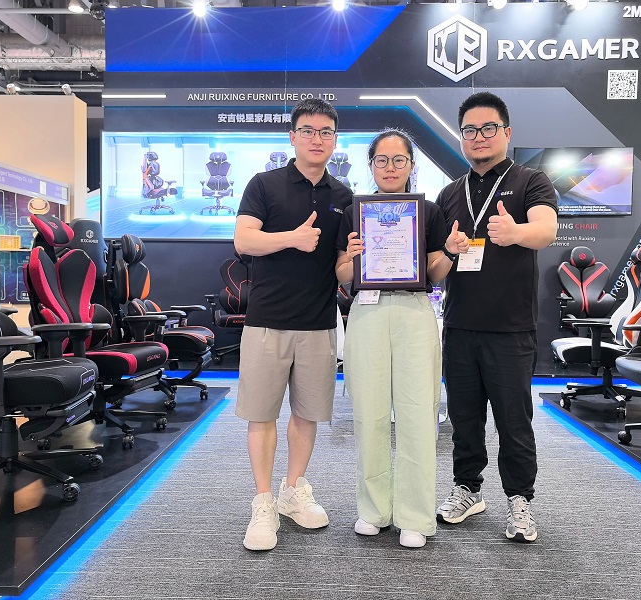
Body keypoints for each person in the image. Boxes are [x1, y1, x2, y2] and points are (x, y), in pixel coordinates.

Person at [335, 128, 469, 548]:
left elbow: (433, 273)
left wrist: (450, 251)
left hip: (414, 312)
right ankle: (373, 509)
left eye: (399, 160)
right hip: (367, 312)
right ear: (371, 165)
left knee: (417, 413)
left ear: (411, 165)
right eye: (382, 160)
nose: (390, 168)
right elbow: (341, 274)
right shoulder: (353, 211)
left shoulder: (427, 212)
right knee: (369, 412)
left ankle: (415, 515)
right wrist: (352, 257)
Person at [434, 92, 558, 543]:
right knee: (464, 420)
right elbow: (436, 262)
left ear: (506, 132)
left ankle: (520, 501)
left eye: (488, 128)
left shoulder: (530, 181)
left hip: (510, 328)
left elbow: (546, 229)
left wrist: (515, 231)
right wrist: (448, 251)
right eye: (470, 130)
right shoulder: (450, 193)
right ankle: (467, 489)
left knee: (513, 421)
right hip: (459, 326)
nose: (479, 137)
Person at [233, 98, 353, 551]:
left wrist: (359, 262)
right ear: (292, 136)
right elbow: (244, 240)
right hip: (267, 321)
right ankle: (263, 502)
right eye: (308, 130)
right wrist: (293, 239)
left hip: (320, 323)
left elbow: (341, 265)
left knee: (307, 414)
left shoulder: (344, 195)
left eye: (325, 132)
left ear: (335, 139)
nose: (316, 139)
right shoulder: (264, 184)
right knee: (262, 414)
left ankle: (292, 489)